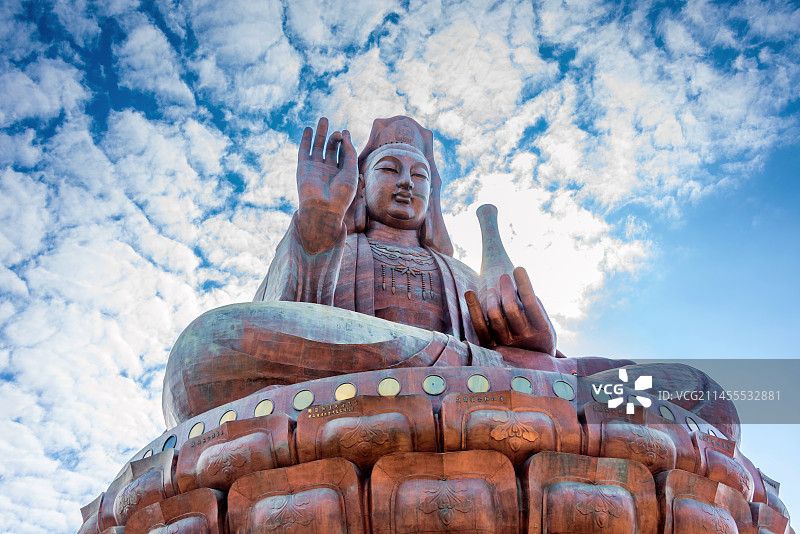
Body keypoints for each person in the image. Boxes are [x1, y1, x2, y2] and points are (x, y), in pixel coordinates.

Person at [162, 116, 739, 444]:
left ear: (434, 197)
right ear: (361, 184)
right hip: (416, 385)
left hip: (501, 383)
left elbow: (528, 351)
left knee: (700, 394)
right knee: (204, 351)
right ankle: (490, 380)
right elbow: (293, 329)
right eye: (389, 170)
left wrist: (533, 344)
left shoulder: (460, 271)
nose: (406, 183)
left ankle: (509, 381)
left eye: (420, 176)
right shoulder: (334, 239)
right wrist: (317, 221)